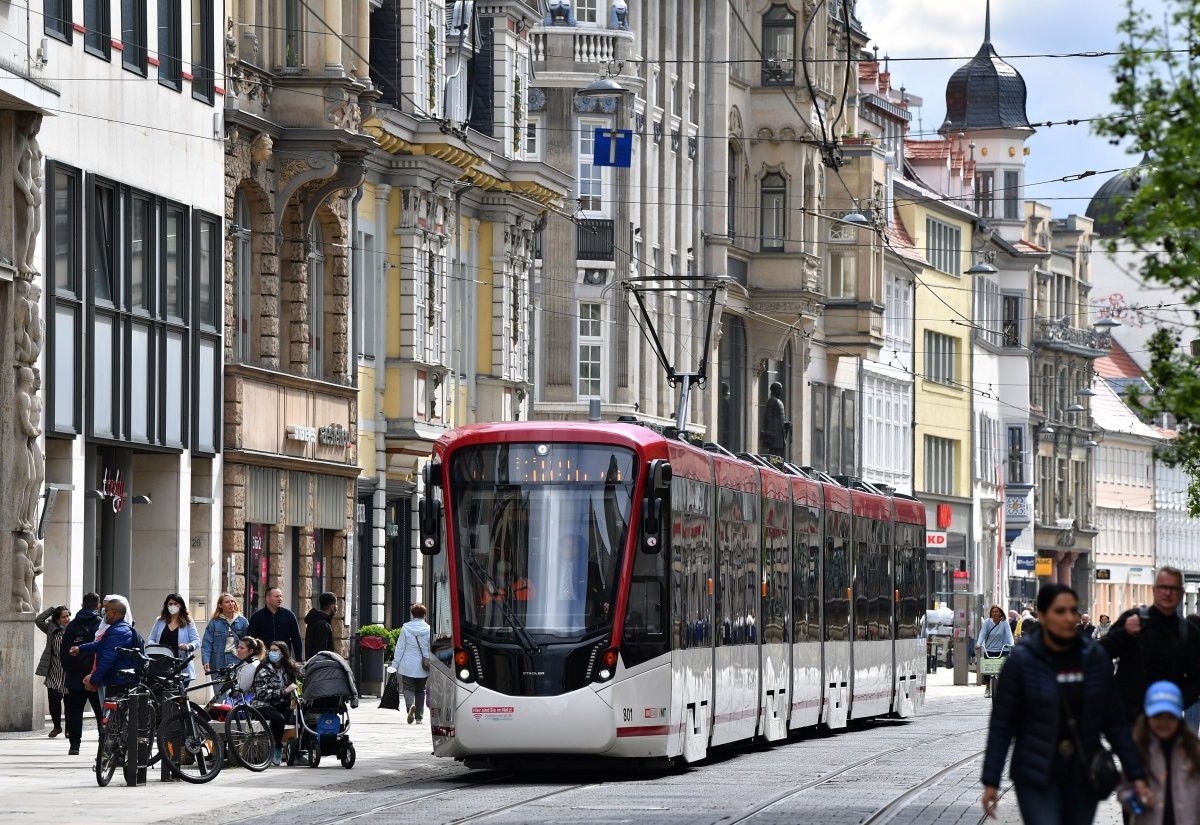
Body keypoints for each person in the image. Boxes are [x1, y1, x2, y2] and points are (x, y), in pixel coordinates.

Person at [981, 583, 1151, 824]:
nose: (1068, 617)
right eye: (1060, 611)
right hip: (1036, 771)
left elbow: (1114, 723)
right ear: (1042, 616)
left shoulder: (1093, 658)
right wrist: (991, 780)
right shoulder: (1021, 661)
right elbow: (1002, 724)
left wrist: (1135, 773)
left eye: (1072, 610)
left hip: (1083, 771)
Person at [1101, 567, 1200, 725]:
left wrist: (1176, 703)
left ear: (1181, 593)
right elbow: (1102, 653)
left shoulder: (1188, 631)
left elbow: (1196, 678)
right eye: (1163, 587)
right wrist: (1124, 633)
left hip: (1167, 720)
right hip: (1129, 717)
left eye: (1173, 588)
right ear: (1154, 590)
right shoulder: (1133, 619)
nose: (1167, 593)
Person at [1120, 680, 1200, 825]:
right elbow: (1124, 793)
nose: (1164, 723)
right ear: (1147, 715)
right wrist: (1137, 800)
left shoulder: (1194, 751)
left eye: (1170, 717)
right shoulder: (1138, 750)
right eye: (1158, 716)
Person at [60, 592, 103, 755]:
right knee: (100, 712)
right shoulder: (100, 624)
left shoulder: (73, 625)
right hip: (94, 677)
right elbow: (101, 650)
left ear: (82, 604)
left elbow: (63, 651)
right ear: (98, 606)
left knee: (75, 712)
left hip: (75, 676)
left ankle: (74, 745)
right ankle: (103, 744)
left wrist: (70, 669)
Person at [251, 640, 302, 765]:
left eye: (275, 650)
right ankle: (278, 747)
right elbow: (261, 693)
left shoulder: (288, 669)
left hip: (281, 704)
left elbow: (301, 676)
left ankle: (301, 750)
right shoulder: (263, 670)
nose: (272, 653)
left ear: (283, 653)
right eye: (271, 650)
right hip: (263, 705)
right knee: (279, 719)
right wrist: (284, 692)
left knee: (300, 717)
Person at [34, 605, 71, 737]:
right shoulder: (51, 628)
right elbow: (38, 620)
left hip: (68, 672)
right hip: (54, 671)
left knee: (69, 702)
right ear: (57, 619)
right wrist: (51, 609)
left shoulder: (73, 629)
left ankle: (69, 729)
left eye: (68, 616)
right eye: (63, 617)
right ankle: (57, 727)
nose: (67, 619)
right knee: (54, 701)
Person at [392, 603, 432, 724]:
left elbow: (400, 648)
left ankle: (410, 706)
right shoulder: (429, 629)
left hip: (407, 665)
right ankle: (419, 718)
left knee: (408, 688)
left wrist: (395, 664)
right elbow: (431, 648)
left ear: (412, 614)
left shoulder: (406, 628)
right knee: (420, 690)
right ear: (424, 615)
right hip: (423, 665)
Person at [148, 593, 200, 684]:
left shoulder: (188, 622)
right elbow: (151, 638)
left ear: (181, 605)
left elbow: (197, 641)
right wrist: (154, 645)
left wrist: (188, 646)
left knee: (179, 695)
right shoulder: (160, 620)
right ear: (166, 606)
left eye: (175, 604)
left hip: (180, 664)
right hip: (161, 663)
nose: (173, 606)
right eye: (170, 604)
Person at [247, 586, 304, 662]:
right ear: (267, 598)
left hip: (284, 658)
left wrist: (299, 660)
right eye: (276, 596)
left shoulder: (289, 615)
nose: (280, 599)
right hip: (263, 659)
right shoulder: (257, 617)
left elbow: (296, 639)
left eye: (281, 596)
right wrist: (251, 659)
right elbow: (251, 640)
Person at [202, 593, 249, 675]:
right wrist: (206, 660)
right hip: (218, 660)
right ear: (220, 605)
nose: (231, 604)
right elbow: (207, 644)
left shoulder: (242, 621)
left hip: (237, 659)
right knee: (220, 687)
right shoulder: (214, 622)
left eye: (232, 601)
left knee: (236, 687)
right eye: (227, 602)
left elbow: (249, 642)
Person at [977, 604, 1014, 698]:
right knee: (987, 669)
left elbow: (1009, 635)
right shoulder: (987, 622)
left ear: (1000, 613)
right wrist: (979, 644)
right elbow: (982, 634)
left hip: (1003, 649)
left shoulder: (1004, 623)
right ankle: (988, 687)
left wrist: (1011, 644)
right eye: (992, 612)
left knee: (1005, 669)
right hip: (989, 649)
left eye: (996, 611)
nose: (994, 613)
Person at [303, 592, 337, 658]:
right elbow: (322, 651)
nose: (336, 607)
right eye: (336, 604)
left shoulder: (315, 620)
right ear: (332, 607)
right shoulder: (323, 625)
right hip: (320, 665)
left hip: (314, 664)